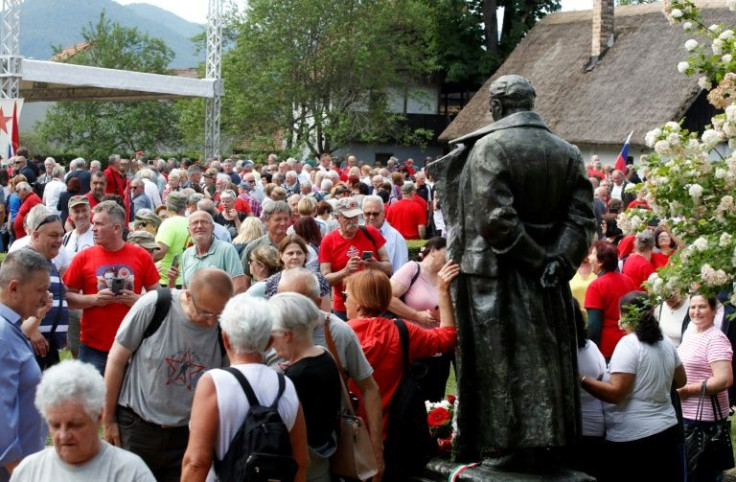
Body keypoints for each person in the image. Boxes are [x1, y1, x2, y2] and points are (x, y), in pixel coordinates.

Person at [429, 74, 595, 466]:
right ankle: (542, 441)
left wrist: (540, 260)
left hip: (497, 275)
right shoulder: (568, 152)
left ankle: (514, 444)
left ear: (498, 108)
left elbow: (495, 219)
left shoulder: (491, 147)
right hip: (548, 274)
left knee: (503, 360)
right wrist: (558, 261)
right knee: (544, 357)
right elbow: (582, 219)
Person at [103, 268, 233, 481]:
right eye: (205, 313)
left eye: (218, 315)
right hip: (138, 426)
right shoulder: (156, 305)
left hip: (187, 434)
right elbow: (116, 360)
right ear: (188, 295)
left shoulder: (223, 326)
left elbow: (226, 383)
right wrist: (108, 419)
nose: (211, 322)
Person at [344, 266, 459, 479]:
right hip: (397, 432)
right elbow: (447, 338)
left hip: (350, 435)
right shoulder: (402, 331)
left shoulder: (339, 335)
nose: (344, 302)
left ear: (359, 303)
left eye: (347, 296)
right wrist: (443, 292)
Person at [180, 295, 309, 482]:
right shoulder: (285, 385)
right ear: (269, 342)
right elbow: (301, 461)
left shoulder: (214, 383)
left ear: (226, 339)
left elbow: (196, 462)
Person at [275, 268, 384, 476]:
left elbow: (369, 388)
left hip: (323, 451)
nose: (284, 309)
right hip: (279, 452)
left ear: (316, 304)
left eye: (294, 303)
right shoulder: (268, 329)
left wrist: (376, 449)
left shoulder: (337, 332)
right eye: (281, 299)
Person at [582, 292, 686, 482]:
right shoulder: (666, 342)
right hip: (666, 430)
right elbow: (681, 380)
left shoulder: (629, 344)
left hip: (636, 439)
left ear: (623, 315)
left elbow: (616, 394)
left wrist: (582, 379)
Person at [10, 360, 155, 482]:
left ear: (99, 417)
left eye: (74, 425)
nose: (64, 435)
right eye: (55, 425)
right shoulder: (29, 472)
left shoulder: (130, 473)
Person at [63, 201, 160, 375]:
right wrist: (93, 299)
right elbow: (67, 297)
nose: (93, 228)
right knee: (94, 401)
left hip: (134, 345)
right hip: (94, 347)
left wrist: (139, 301)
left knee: (130, 402)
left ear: (116, 228)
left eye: (99, 224)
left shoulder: (141, 256)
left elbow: (159, 297)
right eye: (94, 223)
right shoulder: (83, 257)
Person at [268, 293, 341, 481]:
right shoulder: (325, 356)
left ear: (286, 335)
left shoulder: (295, 377)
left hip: (302, 470)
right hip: (324, 460)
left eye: (271, 333)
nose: (269, 341)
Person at [0, 250, 51, 482]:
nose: (45, 297)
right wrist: (19, 471)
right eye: (39, 289)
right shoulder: (2, 336)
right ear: (13, 288)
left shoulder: (11, 329)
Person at [386, 237, 452, 402]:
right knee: (413, 399)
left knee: (436, 399)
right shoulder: (413, 268)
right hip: (413, 348)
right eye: (448, 250)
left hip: (439, 348)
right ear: (434, 249)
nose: (451, 256)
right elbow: (387, 298)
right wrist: (416, 315)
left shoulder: (449, 276)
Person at [677, 294, 734, 482]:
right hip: (686, 414)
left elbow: (724, 380)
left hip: (705, 419)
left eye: (702, 307)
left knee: (702, 474)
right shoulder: (691, 332)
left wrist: (688, 390)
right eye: (692, 307)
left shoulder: (716, 338)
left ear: (714, 310)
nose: (696, 312)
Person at [319, 197, 391, 320]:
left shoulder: (371, 232)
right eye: (347, 218)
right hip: (344, 307)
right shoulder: (328, 241)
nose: (353, 221)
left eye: (355, 216)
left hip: (372, 304)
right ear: (337, 218)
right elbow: (325, 279)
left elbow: (388, 267)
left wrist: (376, 265)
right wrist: (345, 271)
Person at [570, 300, 605, 480]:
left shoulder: (562, 351)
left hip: (573, 430)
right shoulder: (591, 347)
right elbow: (602, 376)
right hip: (596, 426)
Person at [585, 240, 638, 360]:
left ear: (601, 261)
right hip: (630, 345)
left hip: (606, 350)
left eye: (592, 254)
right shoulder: (627, 280)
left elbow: (593, 326)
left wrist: (592, 354)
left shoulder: (596, 286)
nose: (589, 258)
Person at [177, 211, 246, 293]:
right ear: (189, 230)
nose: (199, 226)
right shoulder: (187, 254)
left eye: (204, 222)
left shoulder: (227, 249)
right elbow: (185, 288)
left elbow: (239, 286)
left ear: (212, 228)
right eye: (195, 223)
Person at [264, 234, 331, 310]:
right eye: (290, 253)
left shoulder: (318, 279)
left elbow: (326, 312)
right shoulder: (272, 281)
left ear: (305, 255)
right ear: (281, 255)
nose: (295, 257)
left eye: (299, 253)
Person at [240, 200, 291, 289]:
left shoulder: (295, 246)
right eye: (278, 219)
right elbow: (245, 279)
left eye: (286, 219)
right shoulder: (253, 247)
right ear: (267, 221)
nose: (283, 223)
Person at [362, 195, 408, 273]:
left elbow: (401, 273)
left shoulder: (396, 238)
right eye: (367, 213)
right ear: (363, 214)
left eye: (375, 213)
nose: (371, 217)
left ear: (383, 213)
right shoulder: (356, 232)